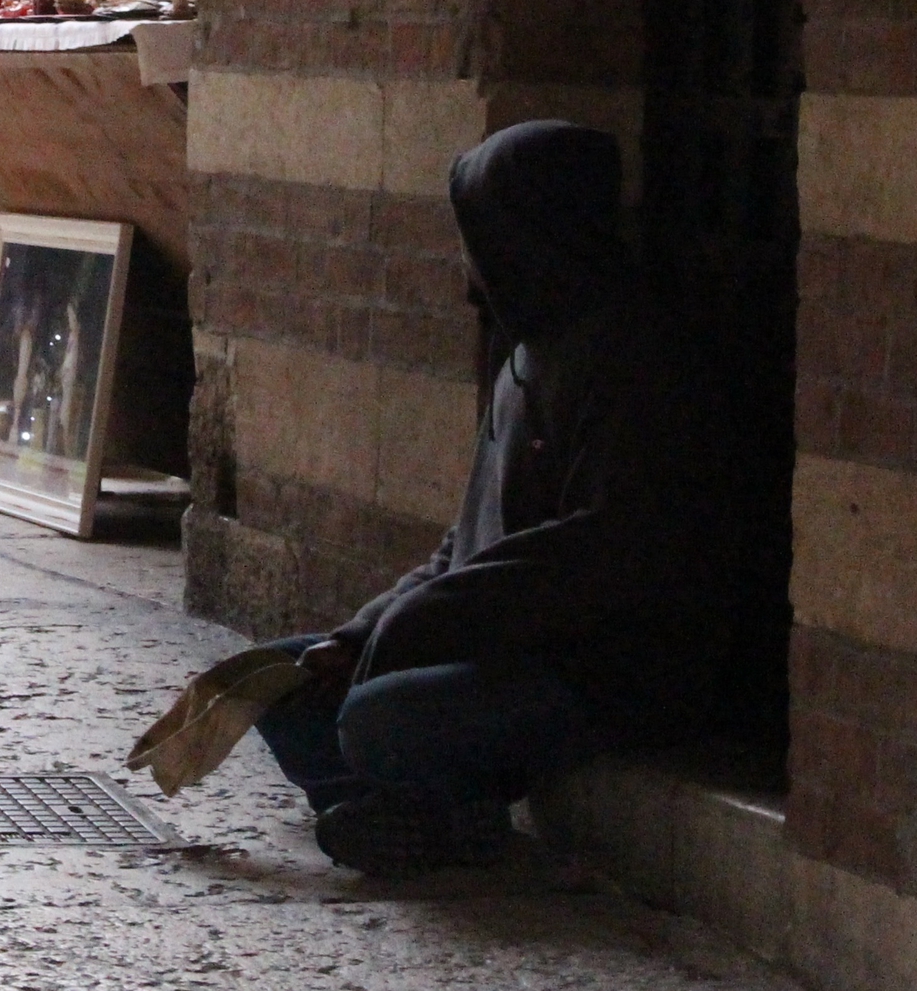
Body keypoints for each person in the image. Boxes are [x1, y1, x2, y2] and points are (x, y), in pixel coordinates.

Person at [248, 121, 732, 877]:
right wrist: (362, 629)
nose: (466, 263)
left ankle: (427, 820)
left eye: (475, 235)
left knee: (381, 717)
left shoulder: (632, 357)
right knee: (277, 681)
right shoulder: (525, 352)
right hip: (496, 644)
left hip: (595, 669)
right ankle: (407, 816)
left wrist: (430, 620)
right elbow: (462, 541)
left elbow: (603, 548)